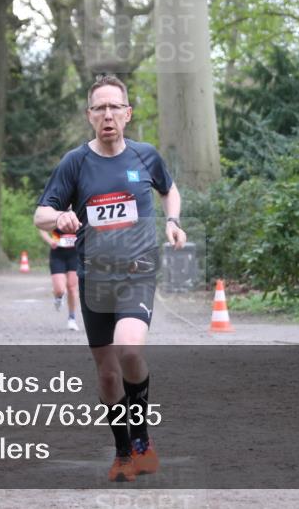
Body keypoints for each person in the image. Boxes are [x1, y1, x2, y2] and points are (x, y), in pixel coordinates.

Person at [34, 74, 186, 482]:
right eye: (99, 108)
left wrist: (172, 220)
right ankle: (122, 451)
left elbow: (170, 190)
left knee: (130, 352)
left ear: (127, 113)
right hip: (94, 279)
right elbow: (40, 214)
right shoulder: (75, 163)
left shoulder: (145, 156)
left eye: (114, 107)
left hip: (137, 273)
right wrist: (59, 216)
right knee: (106, 372)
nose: (107, 115)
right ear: (89, 115)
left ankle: (143, 439)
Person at [37, 220, 80, 330]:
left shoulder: (79, 210)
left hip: (75, 254)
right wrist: (50, 240)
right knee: (60, 289)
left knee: (72, 287)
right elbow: (41, 226)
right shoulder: (56, 211)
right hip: (58, 254)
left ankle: (72, 318)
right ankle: (58, 297)